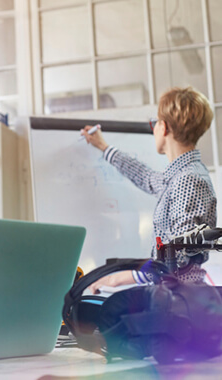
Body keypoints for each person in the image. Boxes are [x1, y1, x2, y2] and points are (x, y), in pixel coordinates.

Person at [81, 87, 217, 293]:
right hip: (173, 295)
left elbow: (178, 258)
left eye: (155, 123)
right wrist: (104, 147)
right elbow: (146, 177)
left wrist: (121, 278)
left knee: (108, 313)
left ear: (164, 128)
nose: (154, 129)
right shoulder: (181, 175)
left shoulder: (188, 180)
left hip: (180, 300)